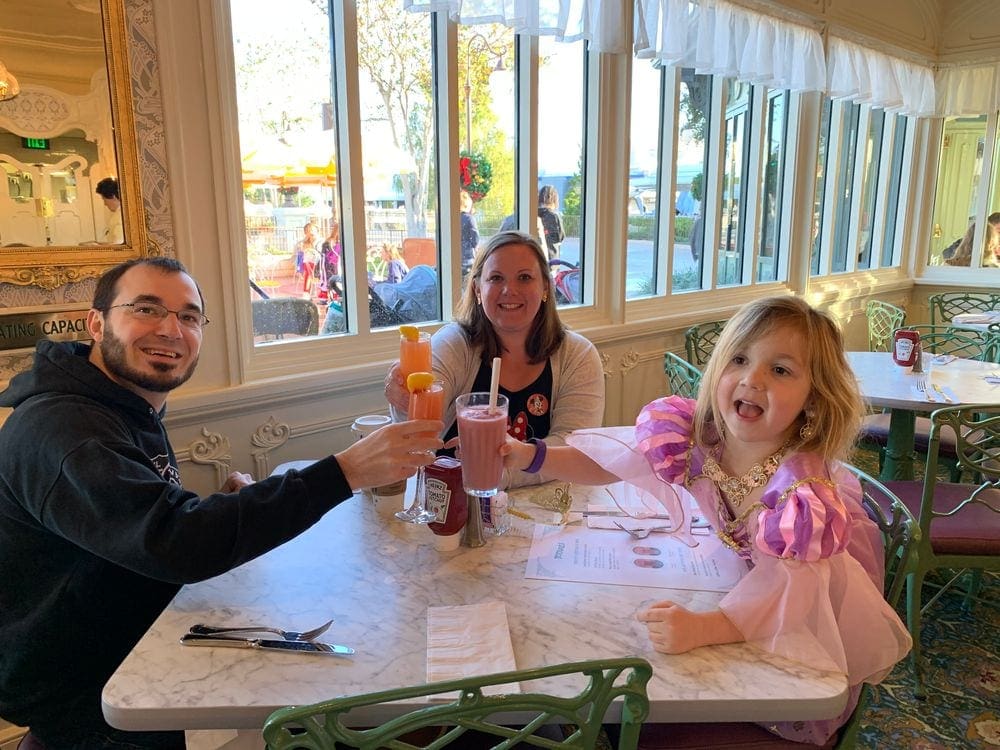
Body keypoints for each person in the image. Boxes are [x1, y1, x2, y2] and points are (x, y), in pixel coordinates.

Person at [0, 257, 442, 749]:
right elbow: (176, 542)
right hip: (93, 705)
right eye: (146, 309)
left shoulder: (117, 404)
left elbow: (141, 522)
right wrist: (347, 470)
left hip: (136, 657)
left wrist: (221, 508)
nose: (170, 329)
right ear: (96, 322)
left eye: (189, 317)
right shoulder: (67, 431)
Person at [504, 296, 911, 745]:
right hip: (744, 587)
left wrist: (706, 628)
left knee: (706, 691)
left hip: (798, 617)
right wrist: (531, 455)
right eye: (739, 358)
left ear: (812, 398)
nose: (752, 380)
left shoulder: (799, 495)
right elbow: (613, 462)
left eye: (780, 370)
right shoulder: (700, 436)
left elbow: (790, 592)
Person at [384, 230, 604, 490]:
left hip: (546, 509)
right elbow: (421, 426)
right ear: (478, 289)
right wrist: (404, 398)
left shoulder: (577, 356)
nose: (509, 290)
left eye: (524, 277)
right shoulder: (455, 344)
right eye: (496, 278)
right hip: (454, 501)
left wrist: (501, 474)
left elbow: (574, 447)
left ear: (545, 287)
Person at [537, 185, 565, 259]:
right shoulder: (554, 216)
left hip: (536, 256)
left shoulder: (533, 214)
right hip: (551, 257)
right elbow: (560, 236)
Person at [95, 176, 124, 244]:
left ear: (113, 196)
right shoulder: (118, 213)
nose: (105, 204)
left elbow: (118, 245)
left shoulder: (121, 217)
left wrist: (95, 246)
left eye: (104, 199)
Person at [292, 220, 319, 293]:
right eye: (308, 231)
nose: (311, 233)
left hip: (319, 264)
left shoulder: (320, 241)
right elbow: (299, 255)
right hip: (306, 264)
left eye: (312, 230)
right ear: (305, 233)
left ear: (317, 231)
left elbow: (320, 255)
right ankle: (307, 290)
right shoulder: (303, 242)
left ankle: (306, 291)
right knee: (307, 265)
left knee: (308, 266)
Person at [459, 189, 479, 277]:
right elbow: (475, 237)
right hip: (467, 258)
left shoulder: (452, 218)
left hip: (455, 258)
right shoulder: (469, 218)